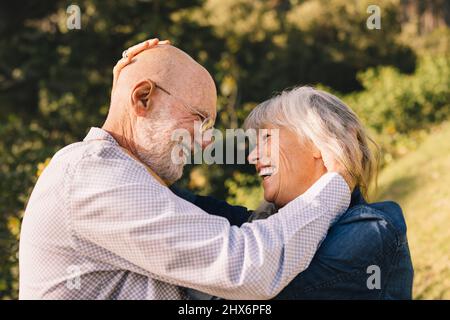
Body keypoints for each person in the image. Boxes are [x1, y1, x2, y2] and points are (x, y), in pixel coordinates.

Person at [19, 39, 352, 299]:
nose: (206, 143)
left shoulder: (114, 173)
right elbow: (246, 266)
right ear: (144, 99)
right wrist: (337, 182)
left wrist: (127, 86)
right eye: (199, 118)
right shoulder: (91, 176)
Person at [176, 86, 414, 299]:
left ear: (321, 141)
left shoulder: (371, 229)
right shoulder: (271, 224)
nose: (253, 156)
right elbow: (172, 200)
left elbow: (253, 292)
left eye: (267, 138)